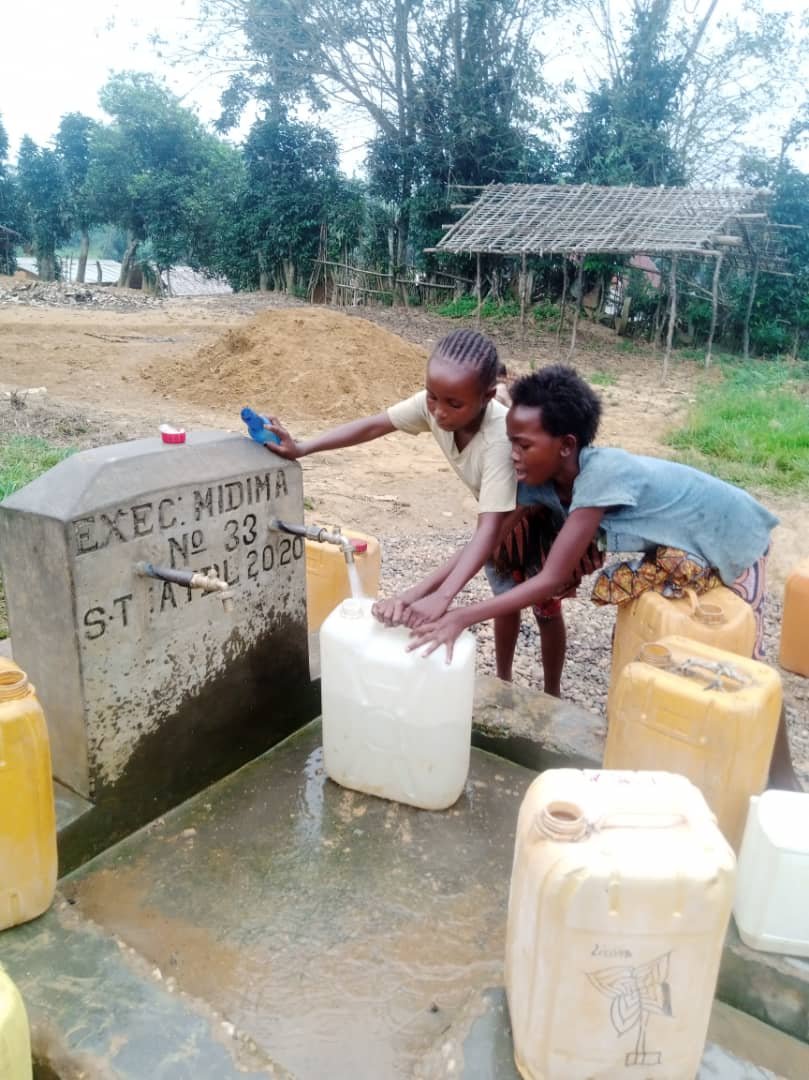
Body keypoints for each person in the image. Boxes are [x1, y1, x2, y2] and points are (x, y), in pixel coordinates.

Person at [409, 363, 800, 791]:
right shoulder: (539, 482)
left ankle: (783, 778)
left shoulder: (601, 474)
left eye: (522, 445)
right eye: (510, 444)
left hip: (731, 535)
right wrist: (418, 595)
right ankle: (639, 734)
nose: (512, 455)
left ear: (566, 445)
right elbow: (482, 542)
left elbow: (547, 580)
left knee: (744, 660)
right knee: (644, 637)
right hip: (675, 545)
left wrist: (460, 615)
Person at [262, 328, 570, 692]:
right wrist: (303, 448)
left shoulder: (499, 441)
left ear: (487, 397)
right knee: (504, 601)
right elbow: (375, 425)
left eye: (453, 404)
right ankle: (503, 683)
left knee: (545, 608)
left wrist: (441, 597)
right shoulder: (437, 405)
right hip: (498, 509)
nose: (438, 412)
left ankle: (552, 693)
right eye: (432, 397)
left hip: (538, 515)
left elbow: (487, 532)